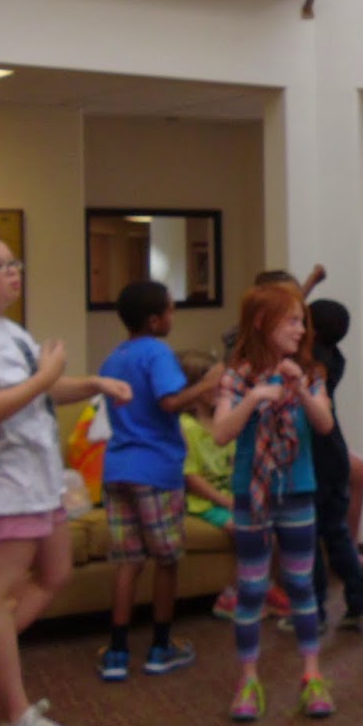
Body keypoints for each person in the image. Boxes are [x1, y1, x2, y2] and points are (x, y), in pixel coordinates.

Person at [0, 234, 130, 726]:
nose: (13, 271)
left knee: (55, 572)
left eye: (13, 262)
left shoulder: (8, 329)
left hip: (39, 475)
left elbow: (41, 390)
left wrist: (92, 384)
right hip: (9, 477)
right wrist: (45, 376)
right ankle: (15, 717)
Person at [212, 281, 337, 722]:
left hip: (297, 490)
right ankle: (248, 680)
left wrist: (299, 390)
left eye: (303, 321)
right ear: (263, 323)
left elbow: (324, 425)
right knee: (251, 589)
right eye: (292, 321)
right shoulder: (237, 376)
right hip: (252, 494)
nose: (301, 330)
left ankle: (312, 676)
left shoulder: (311, 374)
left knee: (301, 585)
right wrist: (252, 398)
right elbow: (221, 432)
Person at [95, 281, 220, 682]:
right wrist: (208, 383)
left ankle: (117, 652)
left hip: (117, 469)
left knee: (127, 562)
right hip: (156, 471)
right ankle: (160, 647)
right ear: (154, 320)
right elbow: (169, 402)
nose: (173, 316)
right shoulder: (158, 353)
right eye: (170, 310)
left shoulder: (113, 358)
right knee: (166, 561)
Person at [303, 298, 363, 631]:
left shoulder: (312, 365)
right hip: (334, 455)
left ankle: (315, 610)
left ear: (312, 330)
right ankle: (360, 600)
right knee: (336, 533)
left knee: (311, 537)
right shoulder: (336, 357)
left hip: (317, 459)